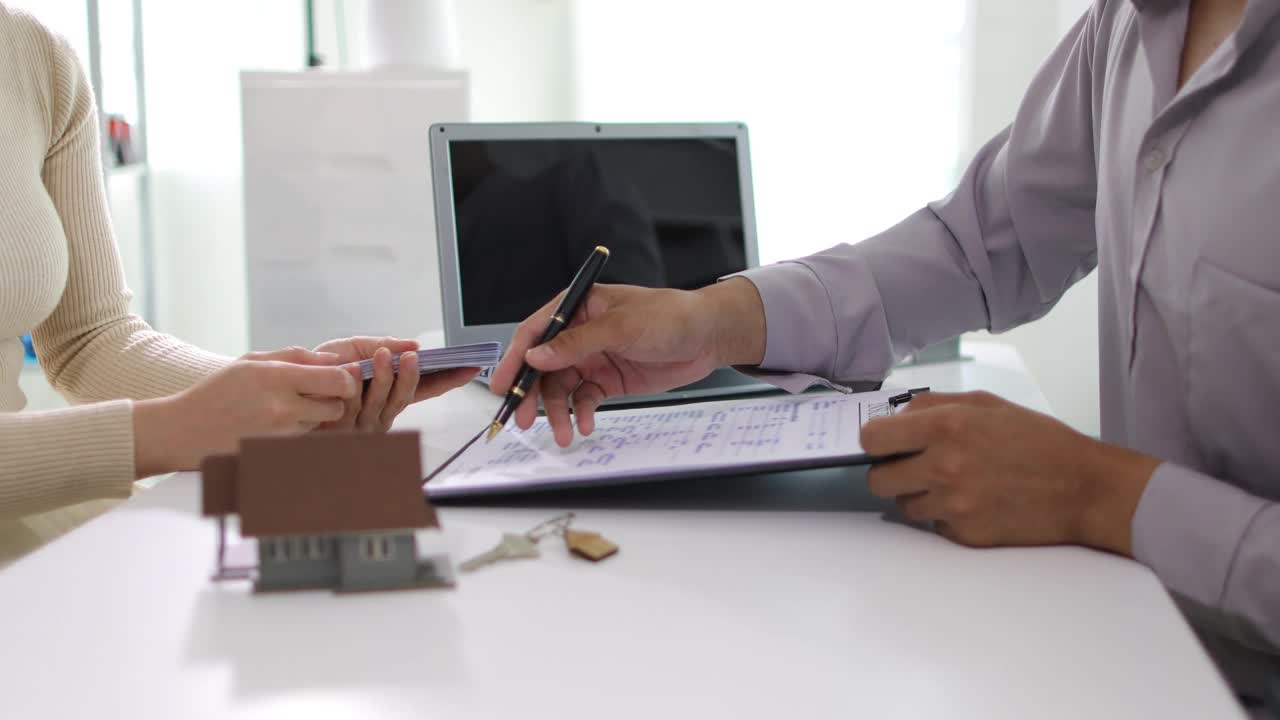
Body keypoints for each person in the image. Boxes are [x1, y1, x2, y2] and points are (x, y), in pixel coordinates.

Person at [491, 0, 1279, 708]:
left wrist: (1104, 495)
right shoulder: (1126, 28)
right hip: (1138, 651)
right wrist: (715, 318)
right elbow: (980, 246)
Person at [0, 6, 477, 560]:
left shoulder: (36, 56)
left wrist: (282, 392)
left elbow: (92, 341)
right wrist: (170, 430)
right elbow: (165, 421)